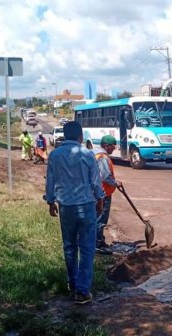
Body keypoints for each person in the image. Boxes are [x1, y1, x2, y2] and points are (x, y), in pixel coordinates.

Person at [45, 121, 105, 305]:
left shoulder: (54, 155)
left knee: (70, 247)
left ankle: (72, 284)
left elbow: (50, 180)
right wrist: (100, 199)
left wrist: (50, 201)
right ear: (80, 136)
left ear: (65, 135)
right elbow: (95, 182)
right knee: (87, 249)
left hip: (66, 207)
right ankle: (82, 290)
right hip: (86, 206)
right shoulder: (87, 154)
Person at [93, 135, 122, 251]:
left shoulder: (94, 154)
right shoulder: (103, 157)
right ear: (106, 145)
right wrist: (116, 183)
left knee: (95, 217)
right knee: (101, 219)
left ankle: (95, 241)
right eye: (112, 146)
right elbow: (105, 176)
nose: (113, 149)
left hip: (95, 191)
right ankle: (98, 243)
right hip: (103, 193)